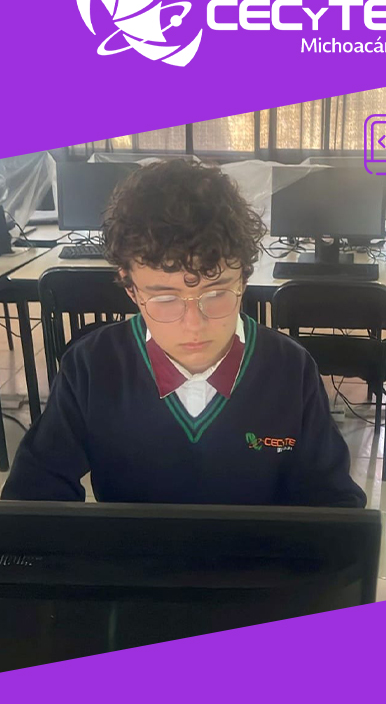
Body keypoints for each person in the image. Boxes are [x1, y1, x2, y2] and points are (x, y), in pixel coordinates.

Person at [2, 160, 365, 507]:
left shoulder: (291, 369)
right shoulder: (91, 367)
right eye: (164, 298)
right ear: (131, 289)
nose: (194, 324)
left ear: (243, 279)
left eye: (217, 293)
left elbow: (333, 503)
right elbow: (34, 495)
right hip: (133, 554)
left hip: (260, 553)